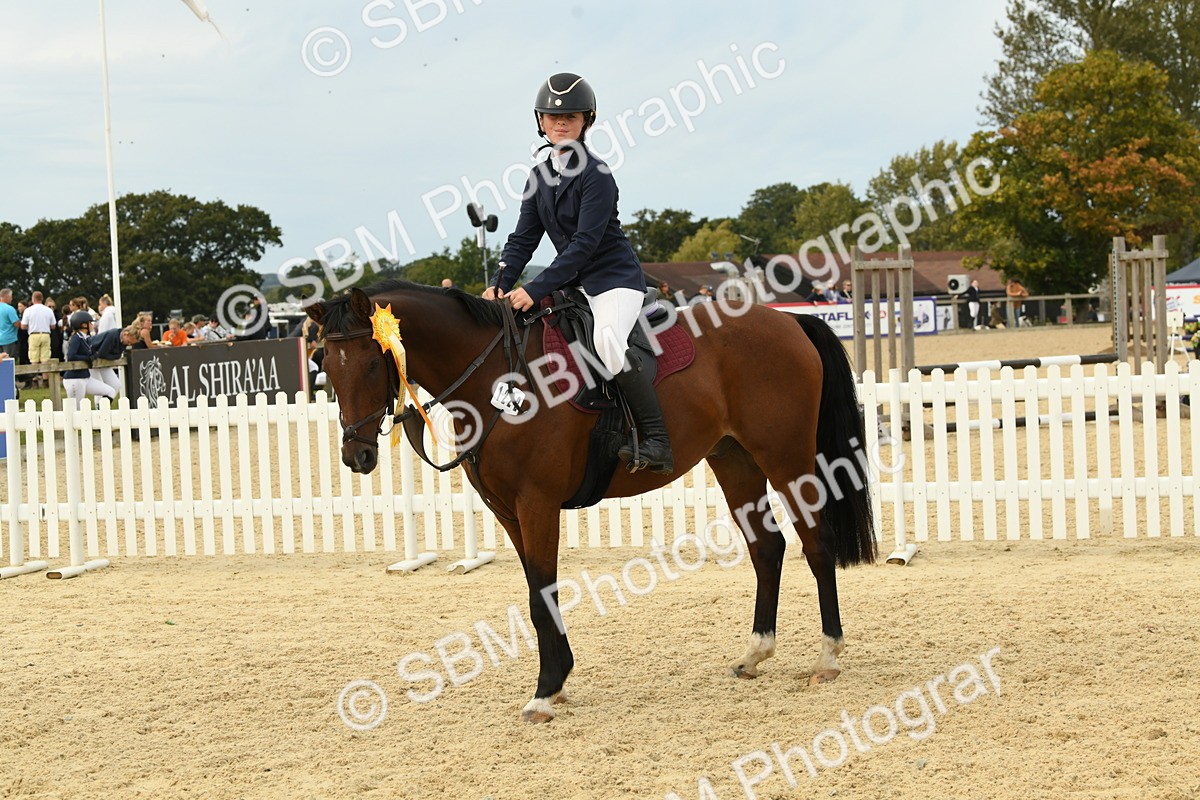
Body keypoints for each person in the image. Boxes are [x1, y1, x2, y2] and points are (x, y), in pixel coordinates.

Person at [483, 72, 672, 474]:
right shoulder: (538, 178)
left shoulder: (597, 175)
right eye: (553, 118)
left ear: (586, 121)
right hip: (573, 285)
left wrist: (535, 287)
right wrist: (499, 284)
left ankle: (656, 439)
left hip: (613, 281)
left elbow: (584, 244)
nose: (561, 123)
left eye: (570, 116)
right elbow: (522, 240)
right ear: (541, 122)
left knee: (606, 341)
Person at [62, 311, 117, 407]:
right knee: (76, 410)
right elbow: (71, 356)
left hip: (85, 377)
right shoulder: (76, 338)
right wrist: (87, 358)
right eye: (90, 323)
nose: (92, 325)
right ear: (83, 325)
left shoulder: (86, 338)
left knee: (110, 391)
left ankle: (100, 413)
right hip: (75, 379)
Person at [18, 291, 57, 387]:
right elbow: (53, 326)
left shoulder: (28, 310)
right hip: (45, 334)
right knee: (45, 357)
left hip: (33, 335)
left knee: (34, 357)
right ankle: (45, 380)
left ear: (33, 299)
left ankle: (34, 380)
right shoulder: (48, 310)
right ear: (42, 299)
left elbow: (23, 326)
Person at [0, 288, 19, 361]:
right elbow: (16, 324)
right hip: (9, 339)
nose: (12, 298)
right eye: (11, 296)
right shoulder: (10, 309)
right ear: (7, 297)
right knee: (8, 362)